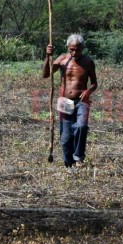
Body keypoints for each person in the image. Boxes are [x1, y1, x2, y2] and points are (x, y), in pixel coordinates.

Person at [43, 34, 98, 169]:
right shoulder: (62, 59)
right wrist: (48, 56)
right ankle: (69, 165)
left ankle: (78, 156)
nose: (74, 53)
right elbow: (46, 74)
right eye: (71, 49)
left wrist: (88, 91)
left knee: (81, 127)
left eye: (77, 50)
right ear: (67, 48)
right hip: (65, 101)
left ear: (83, 48)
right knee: (66, 137)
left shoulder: (88, 62)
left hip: (81, 101)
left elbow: (94, 83)